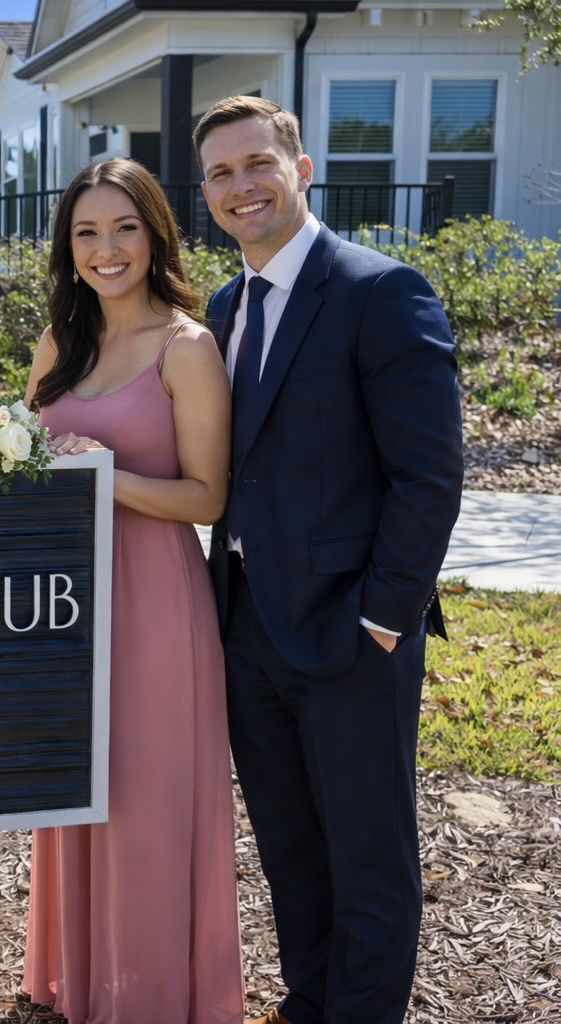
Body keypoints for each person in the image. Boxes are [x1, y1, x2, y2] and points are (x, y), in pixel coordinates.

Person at [194, 96, 463, 1024]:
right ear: (206, 194)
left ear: (302, 169)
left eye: (258, 163)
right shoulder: (225, 307)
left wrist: (384, 617)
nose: (242, 186)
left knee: (369, 854)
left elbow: (427, 479)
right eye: (222, 173)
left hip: (355, 633)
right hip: (247, 627)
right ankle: (310, 1001)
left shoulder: (380, 291)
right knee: (292, 849)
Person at [18, 158, 245, 1024]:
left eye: (123, 228)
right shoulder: (59, 344)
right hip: (66, 603)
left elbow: (207, 496)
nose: (105, 249)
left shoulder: (187, 347)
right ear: (67, 248)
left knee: (147, 801)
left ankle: (151, 995)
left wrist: (106, 480)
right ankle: (81, 976)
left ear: (154, 235)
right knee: (77, 787)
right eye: (86, 232)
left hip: (154, 603)